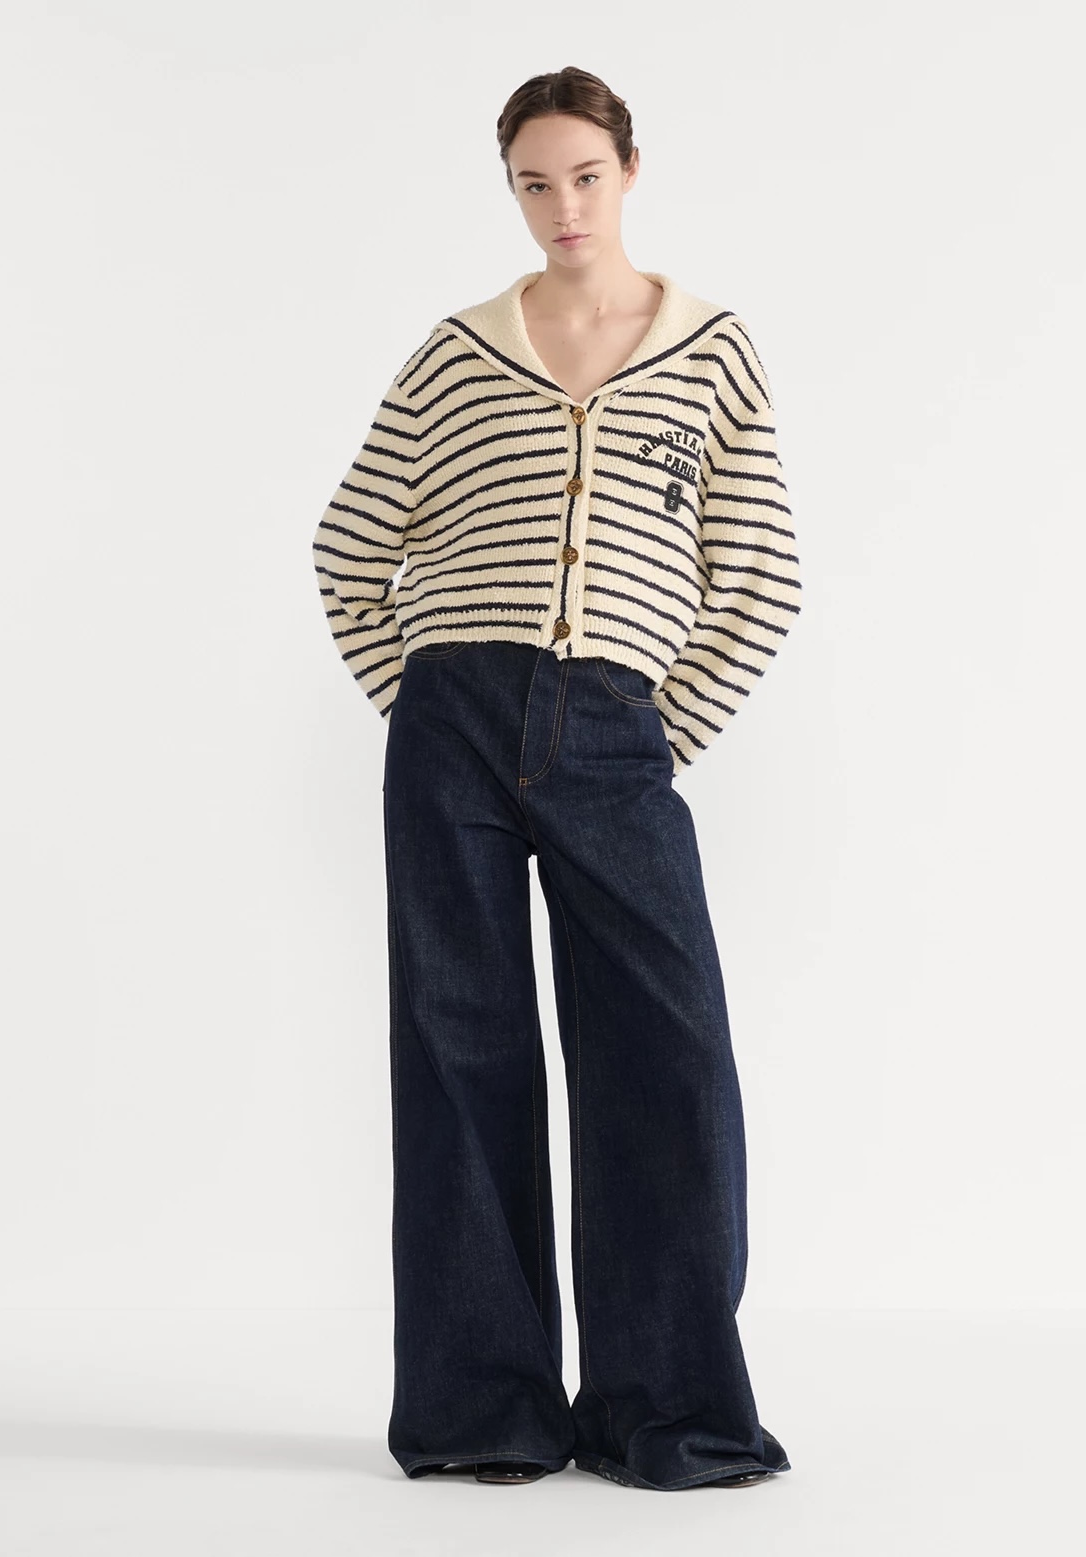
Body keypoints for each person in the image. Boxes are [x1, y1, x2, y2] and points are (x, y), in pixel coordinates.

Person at [312, 65, 802, 1492]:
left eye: (585, 176)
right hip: (451, 719)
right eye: (535, 183)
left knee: (667, 1053)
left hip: (617, 728)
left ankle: (669, 1410)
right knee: (459, 1051)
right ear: (512, 188)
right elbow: (351, 548)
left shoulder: (711, 350)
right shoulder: (458, 353)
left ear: (629, 171)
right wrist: (419, 702)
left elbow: (760, 577)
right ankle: (484, 1411)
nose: (563, 206)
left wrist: (651, 733)